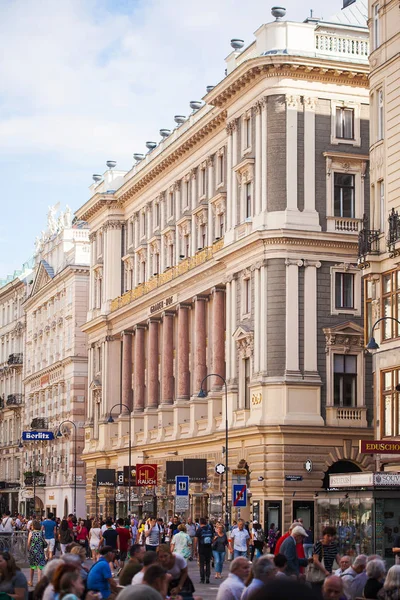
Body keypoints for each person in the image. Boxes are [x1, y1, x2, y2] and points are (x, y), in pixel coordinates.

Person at [28, 520, 47, 587]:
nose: (31, 526)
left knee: (32, 566)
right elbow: (44, 541)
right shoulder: (41, 532)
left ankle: (31, 581)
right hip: (40, 551)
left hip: (32, 551)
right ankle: (39, 582)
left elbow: (28, 542)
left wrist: (28, 548)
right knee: (40, 567)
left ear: (33, 526)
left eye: (31, 525)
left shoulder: (31, 533)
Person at [194, 517, 213, 584]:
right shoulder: (209, 529)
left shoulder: (199, 530)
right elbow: (212, 539)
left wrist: (195, 550)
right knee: (208, 563)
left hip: (201, 549)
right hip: (209, 548)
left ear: (200, 522)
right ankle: (207, 577)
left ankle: (202, 579)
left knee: (201, 564)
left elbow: (195, 540)